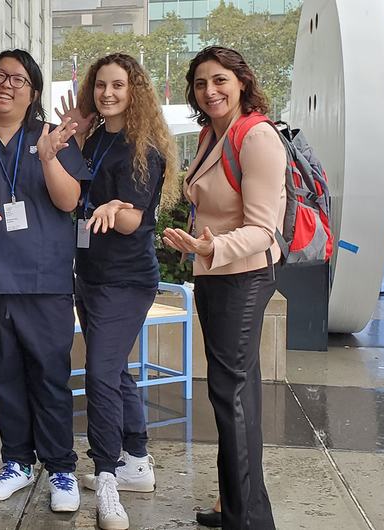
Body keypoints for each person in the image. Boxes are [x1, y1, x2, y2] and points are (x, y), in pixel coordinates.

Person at [0, 49, 88, 513]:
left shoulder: (55, 138)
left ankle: (61, 468)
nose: (6, 85)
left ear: (33, 93)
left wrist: (49, 159)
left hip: (44, 281)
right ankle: (16, 462)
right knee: (4, 377)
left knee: (49, 378)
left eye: (18, 79)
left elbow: (69, 201)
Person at [161, 46, 286, 530]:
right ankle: (238, 503)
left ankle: (246, 519)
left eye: (219, 81)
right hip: (215, 272)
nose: (209, 91)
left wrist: (209, 247)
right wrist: (197, 246)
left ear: (240, 82)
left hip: (243, 275)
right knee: (238, 395)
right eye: (199, 84)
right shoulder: (213, 133)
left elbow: (262, 230)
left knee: (229, 396)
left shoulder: (255, 137)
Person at [62, 53, 180, 530]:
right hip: (88, 275)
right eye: (101, 86)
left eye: (118, 86)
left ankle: (107, 475)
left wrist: (116, 206)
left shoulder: (142, 147)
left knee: (99, 373)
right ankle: (136, 459)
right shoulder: (94, 140)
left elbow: (135, 219)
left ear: (135, 92)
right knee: (115, 371)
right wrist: (71, 136)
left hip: (126, 281)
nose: (108, 94)